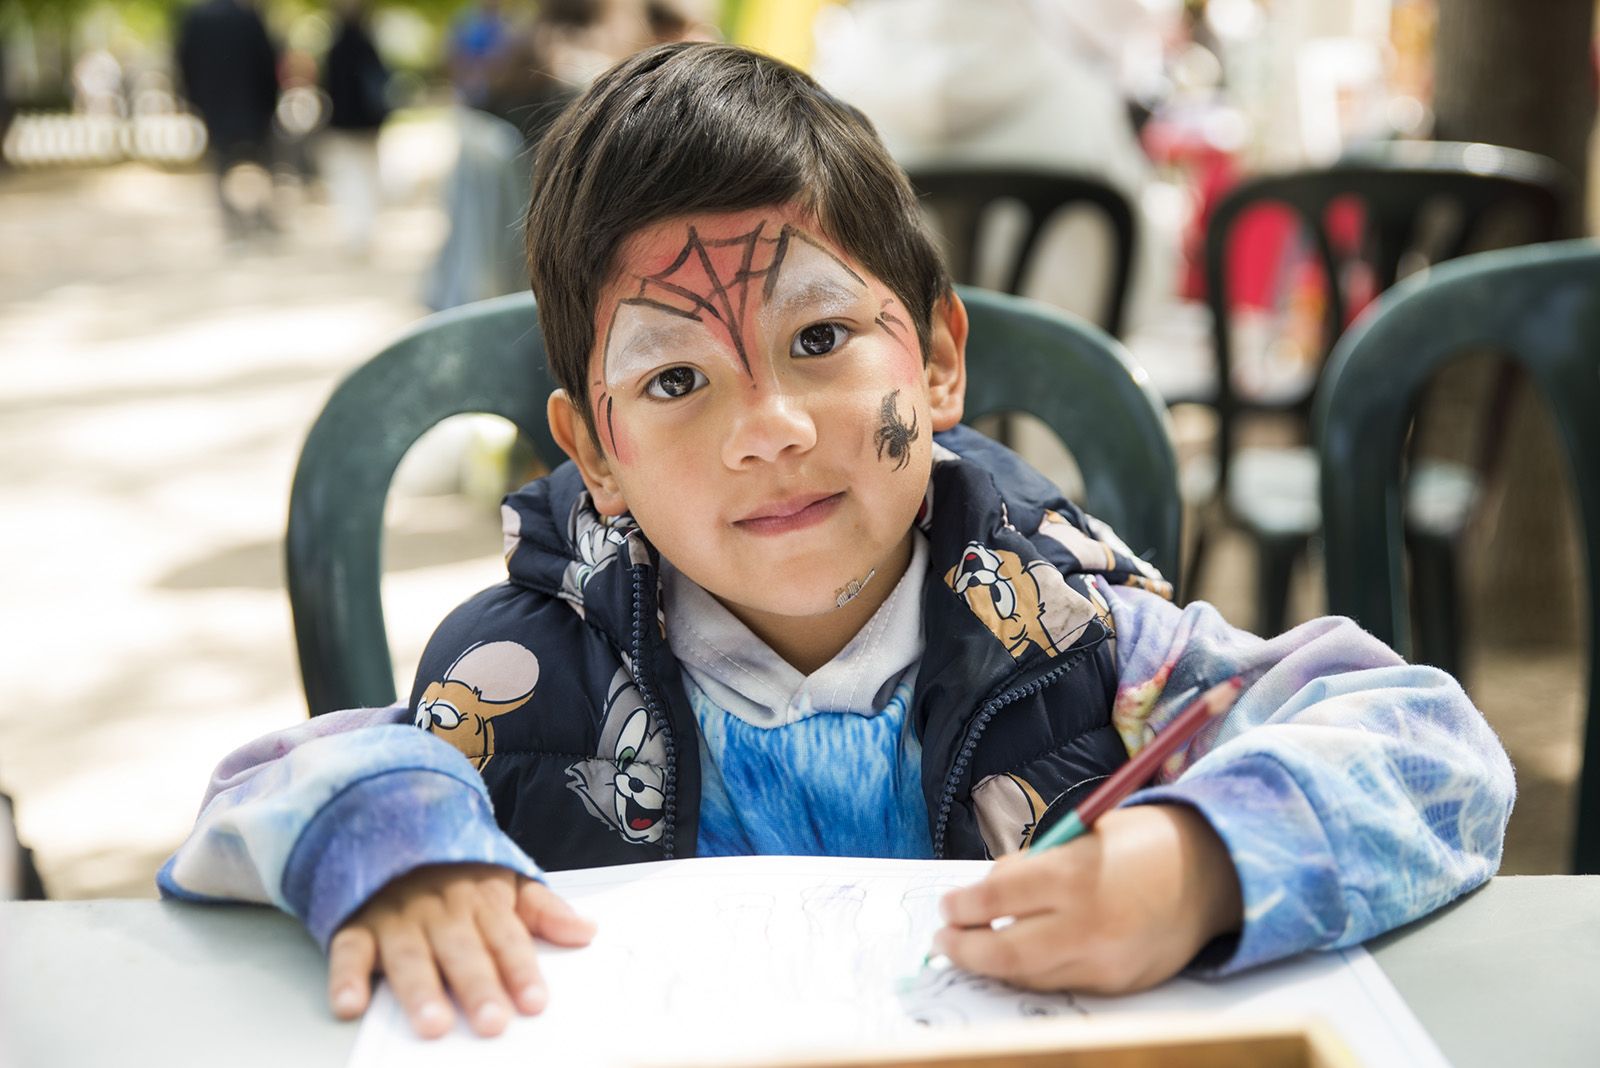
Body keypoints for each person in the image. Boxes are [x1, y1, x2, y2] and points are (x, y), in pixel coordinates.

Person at [159, 43, 1514, 1041]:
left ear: (935, 361)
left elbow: (1430, 750)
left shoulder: (1079, 633)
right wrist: (402, 850)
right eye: (675, 379)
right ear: (594, 454)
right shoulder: (529, 676)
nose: (769, 428)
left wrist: (1204, 864)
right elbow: (261, 790)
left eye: (818, 338)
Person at [175, 0, 281, 245]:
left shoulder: (196, 20)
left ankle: (232, 224)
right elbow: (267, 61)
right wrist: (270, 104)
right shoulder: (249, 18)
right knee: (260, 162)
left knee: (222, 164)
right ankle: (260, 216)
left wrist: (194, 101)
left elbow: (185, 62)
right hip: (252, 104)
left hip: (214, 105)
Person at [318, 0, 390, 257]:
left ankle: (355, 231)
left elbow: (328, 90)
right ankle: (363, 230)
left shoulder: (334, 49)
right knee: (366, 177)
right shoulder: (367, 46)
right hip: (366, 124)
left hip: (344, 124)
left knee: (348, 178)